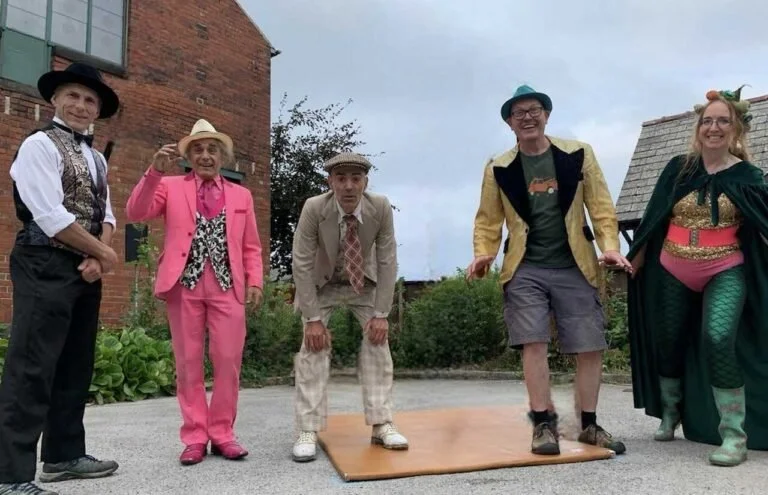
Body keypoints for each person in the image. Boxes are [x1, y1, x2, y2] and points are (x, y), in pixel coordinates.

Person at [466, 85, 632, 456]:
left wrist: (609, 247)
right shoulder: (499, 167)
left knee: (590, 345)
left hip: (575, 264)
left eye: (534, 110)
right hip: (525, 267)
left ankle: (589, 425)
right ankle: (543, 424)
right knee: (533, 341)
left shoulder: (578, 154)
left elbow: (601, 207)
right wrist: (483, 254)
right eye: (519, 113)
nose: (527, 117)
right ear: (510, 123)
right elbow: (488, 220)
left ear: (546, 115)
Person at [627, 86, 768, 466]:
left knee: (719, 338)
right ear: (699, 127)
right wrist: (635, 259)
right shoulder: (679, 168)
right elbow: (653, 216)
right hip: (672, 265)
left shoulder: (748, 176)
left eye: (723, 121)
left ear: (736, 128)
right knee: (669, 341)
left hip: (725, 267)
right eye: (708, 121)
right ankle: (671, 411)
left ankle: (734, 435)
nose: (714, 128)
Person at [0, 62, 121, 495]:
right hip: (43, 263)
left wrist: (97, 257)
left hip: (83, 270)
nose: (81, 105)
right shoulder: (38, 145)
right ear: (55, 99)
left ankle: (63, 455)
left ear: (97, 110)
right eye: (73, 95)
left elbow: (106, 215)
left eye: (90, 100)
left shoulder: (96, 158)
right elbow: (50, 216)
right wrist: (103, 254)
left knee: (75, 363)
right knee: (32, 365)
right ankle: (10, 475)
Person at [125, 119, 264, 466]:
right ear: (188, 156)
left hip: (227, 286)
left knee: (228, 361)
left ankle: (223, 433)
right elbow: (136, 212)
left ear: (223, 157)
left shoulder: (242, 195)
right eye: (198, 149)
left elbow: (251, 246)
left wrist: (255, 280)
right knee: (188, 363)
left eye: (212, 149)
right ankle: (195, 437)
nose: (205, 155)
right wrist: (154, 172)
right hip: (184, 285)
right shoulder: (169, 186)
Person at [290, 152, 407, 462]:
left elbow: (387, 260)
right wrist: (312, 319)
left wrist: (381, 314)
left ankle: (382, 423)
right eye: (341, 179)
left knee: (378, 346)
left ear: (365, 182)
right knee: (312, 349)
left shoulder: (380, 207)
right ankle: (308, 429)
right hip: (323, 283)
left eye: (356, 179)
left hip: (364, 282)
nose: (349, 186)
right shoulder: (314, 208)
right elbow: (301, 262)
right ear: (330, 182)